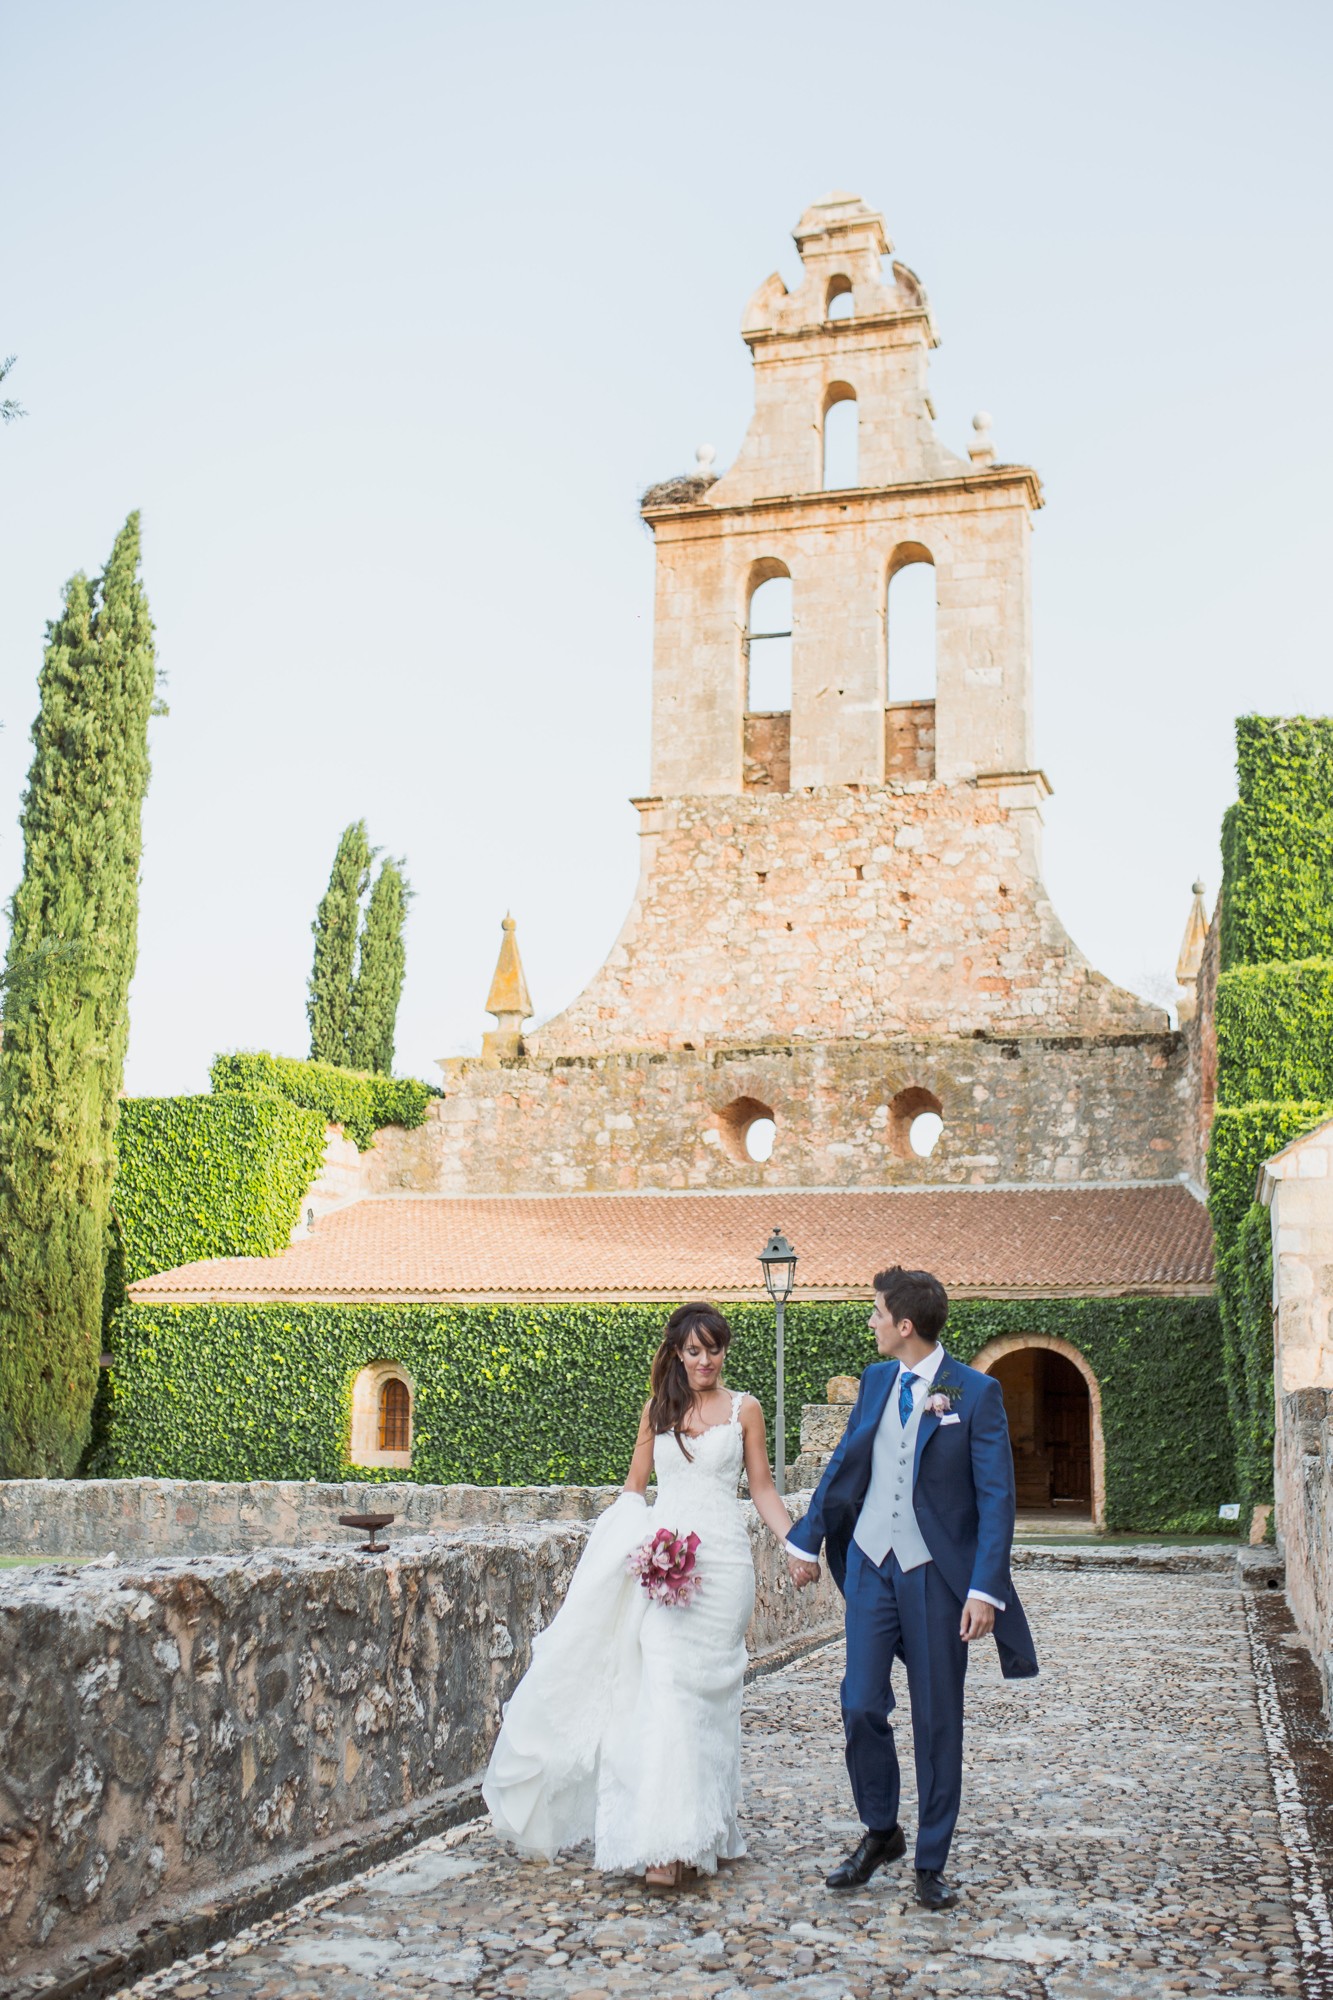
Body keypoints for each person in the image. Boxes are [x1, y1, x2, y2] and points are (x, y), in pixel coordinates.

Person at [483, 1301, 801, 1888]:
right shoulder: (658, 1410)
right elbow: (634, 1489)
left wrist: (794, 1544)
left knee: (712, 1698)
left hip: (723, 1567)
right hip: (664, 1565)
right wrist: (623, 1556)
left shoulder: (745, 1410)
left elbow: (761, 1488)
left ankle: (710, 1828)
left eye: (714, 1349)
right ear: (679, 1355)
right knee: (666, 1693)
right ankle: (665, 1845)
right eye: (695, 1351)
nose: (706, 1361)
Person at [785, 1266, 1037, 1910]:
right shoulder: (874, 1381)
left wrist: (985, 1589)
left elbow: (996, 1498)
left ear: (904, 1325)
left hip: (934, 1575)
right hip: (871, 1561)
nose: (869, 1322)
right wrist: (804, 1538)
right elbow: (846, 1461)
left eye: (876, 1313)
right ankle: (881, 1832)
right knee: (860, 1701)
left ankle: (930, 1861)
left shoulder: (974, 1393)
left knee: (935, 1715)